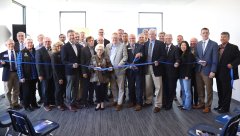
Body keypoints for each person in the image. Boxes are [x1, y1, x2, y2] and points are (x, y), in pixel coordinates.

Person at [193, 28, 218, 113]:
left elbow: (215, 59)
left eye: (206, 33)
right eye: (203, 33)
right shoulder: (198, 44)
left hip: (208, 71)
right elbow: (195, 56)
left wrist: (213, 71)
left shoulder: (214, 44)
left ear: (209, 33)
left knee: (209, 90)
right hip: (199, 70)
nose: (205, 34)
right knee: (200, 88)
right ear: (201, 34)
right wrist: (199, 61)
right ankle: (201, 103)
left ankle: (208, 106)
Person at [215, 32, 240, 113]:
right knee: (220, 90)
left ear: (228, 38)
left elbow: (239, 58)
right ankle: (220, 105)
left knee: (226, 91)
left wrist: (232, 64)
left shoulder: (233, 47)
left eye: (224, 37)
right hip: (218, 73)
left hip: (228, 73)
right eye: (221, 37)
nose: (222, 38)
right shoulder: (218, 47)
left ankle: (225, 108)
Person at [143, 29, 166, 113]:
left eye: (152, 34)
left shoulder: (160, 44)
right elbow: (143, 56)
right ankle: (148, 101)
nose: (151, 36)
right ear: (148, 35)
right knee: (148, 86)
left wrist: (158, 61)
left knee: (158, 87)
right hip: (147, 68)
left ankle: (158, 104)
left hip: (156, 68)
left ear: (155, 35)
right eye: (149, 34)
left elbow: (164, 56)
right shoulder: (145, 44)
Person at [105, 32, 128, 111]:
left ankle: (120, 103)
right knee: (113, 87)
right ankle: (115, 100)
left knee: (121, 87)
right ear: (111, 39)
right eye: (113, 38)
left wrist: (119, 64)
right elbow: (106, 57)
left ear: (119, 38)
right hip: (111, 70)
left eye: (116, 38)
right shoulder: (108, 46)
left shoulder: (122, 45)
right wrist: (109, 66)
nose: (114, 39)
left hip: (120, 70)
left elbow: (125, 57)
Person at [61, 29, 81, 112]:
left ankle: (74, 102)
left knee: (76, 87)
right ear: (68, 37)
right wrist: (71, 65)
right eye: (70, 35)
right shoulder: (64, 47)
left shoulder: (77, 45)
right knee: (69, 88)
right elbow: (64, 60)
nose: (72, 37)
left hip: (77, 71)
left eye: (73, 35)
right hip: (69, 72)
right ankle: (69, 103)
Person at [17, 38, 39, 112]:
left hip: (34, 75)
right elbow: (19, 65)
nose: (30, 44)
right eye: (28, 43)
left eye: (31, 42)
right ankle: (27, 106)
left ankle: (34, 104)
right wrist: (21, 77)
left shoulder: (35, 51)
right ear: (25, 44)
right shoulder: (22, 52)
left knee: (33, 91)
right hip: (26, 76)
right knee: (26, 92)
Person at [0, 39, 22, 110]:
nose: (11, 45)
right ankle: (9, 105)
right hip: (7, 74)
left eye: (12, 44)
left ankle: (15, 103)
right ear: (6, 45)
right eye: (9, 44)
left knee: (16, 90)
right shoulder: (2, 54)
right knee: (7, 91)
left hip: (16, 73)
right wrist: (1, 64)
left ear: (14, 44)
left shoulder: (18, 52)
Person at [90, 44, 112, 111]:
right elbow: (90, 66)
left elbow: (109, 65)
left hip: (104, 77)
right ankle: (98, 103)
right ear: (96, 50)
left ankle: (102, 103)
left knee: (103, 91)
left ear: (103, 50)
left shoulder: (106, 57)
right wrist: (94, 68)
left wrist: (110, 68)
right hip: (95, 77)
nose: (100, 51)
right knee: (97, 91)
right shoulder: (93, 57)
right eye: (98, 49)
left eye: (101, 49)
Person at [35, 37, 55, 111]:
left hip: (53, 73)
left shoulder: (53, 49)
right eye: (46, 41)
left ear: (51, 42)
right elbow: (38, 64)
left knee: (52, 88)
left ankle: (52, 102)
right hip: (44, 74)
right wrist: (40, 75)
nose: (47, 43)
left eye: (49, 41)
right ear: (43, 42)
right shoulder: (39, 51)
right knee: (45, 89)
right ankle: (46, 104)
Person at [126, 34, 145, 111]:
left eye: (133, 38)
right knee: (130, 86)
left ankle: (139, 103)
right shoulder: (126, 47)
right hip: (130, 70)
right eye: (130, 38)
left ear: (135, 38)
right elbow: (124, 58)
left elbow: (144, 56)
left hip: (138, 70)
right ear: (128, 39)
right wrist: (129, 65)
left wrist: (140, 54)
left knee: (139, 87)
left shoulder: (140, 46)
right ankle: (132, 101)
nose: (132, 39)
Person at [162, 34, 180, 110]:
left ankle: (169, 105)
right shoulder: (162, 47)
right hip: (163, 72)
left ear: (172, 39)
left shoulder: (175, 48)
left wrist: (177, 63)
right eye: (166, 38)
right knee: (164, 88)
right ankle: (165, 103)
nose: (168, 39)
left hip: (172, 72)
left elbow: (178, 58)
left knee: (171, 89)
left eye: (169, 38)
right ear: (164, 39)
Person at [179, 41, 195, 110]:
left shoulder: (189, 54)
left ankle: (187, 106)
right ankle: (184, 104)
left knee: (187, 91)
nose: (183, 46)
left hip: (186, 75)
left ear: (187, 46)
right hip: (181, 75)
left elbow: (190, 66)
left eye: (184, 45)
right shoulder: (182, 53)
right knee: (183, 90)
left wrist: (187, 75)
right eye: (182, 45)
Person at [51, 41, 66, 111]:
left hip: (64, 74)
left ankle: (62, 102)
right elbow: (55, 68)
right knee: (58, 90)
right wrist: (59, 78)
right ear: (55, 47)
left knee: (62, 90)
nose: (59, 47)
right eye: (58, 46)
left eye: (61, 46)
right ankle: (58, 104)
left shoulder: (62, 54)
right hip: (58, 76)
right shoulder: (54, 55)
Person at [81, 36, 95, 107]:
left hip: (94, 72)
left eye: (92, 40)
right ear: (87, 42)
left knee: (92, 87)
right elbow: (82, 61)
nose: (92, 42)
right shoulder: (83, 49)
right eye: (90, 41)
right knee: (85, 88)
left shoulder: (95, 48)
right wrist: (84, 72)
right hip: (86, 72)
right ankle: (84, 102)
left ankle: (91, 100)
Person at [189, 37, 198, 106]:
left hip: (197, 72)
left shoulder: (199, 49)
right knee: (189, 88)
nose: (192, 43)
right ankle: (190, 102)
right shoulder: (187, 49)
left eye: (194, 42)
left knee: (197, 88)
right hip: (189, 72)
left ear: (197, 42)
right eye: (191, 41)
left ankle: (196, 102)